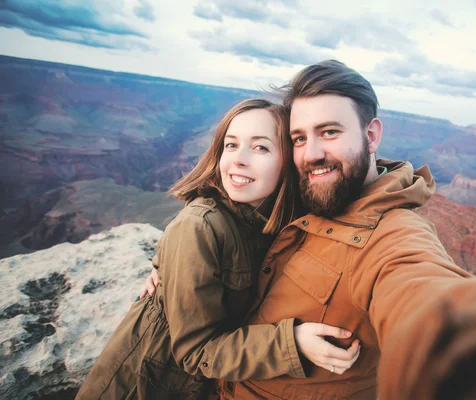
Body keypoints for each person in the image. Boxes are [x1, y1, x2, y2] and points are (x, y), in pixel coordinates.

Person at [143, 61, 476, 399]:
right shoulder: (312, 193)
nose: (312, 152)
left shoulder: (395, 236)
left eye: (330, 132)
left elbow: (424, 294)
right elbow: (223, 222)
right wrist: (172, 259)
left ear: (372, 134)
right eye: (299, 138)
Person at [75, 99, 361, 400]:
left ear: (289, 162)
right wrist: (292, 343)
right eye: (231, 145)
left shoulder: (278, 219)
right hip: (143, 387)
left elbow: (356, 177)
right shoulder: (200, 228)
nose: (238, 160)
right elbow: (197, 352)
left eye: (260, 148)